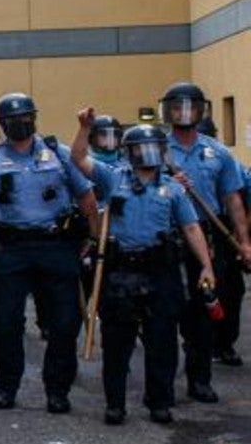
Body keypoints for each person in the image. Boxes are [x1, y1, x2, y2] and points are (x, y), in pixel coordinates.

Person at [71, 111, 215, 424]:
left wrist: (206, 266)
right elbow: (78, 157)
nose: (147, 154)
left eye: (154, 148)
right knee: (118, 342)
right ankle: (115, 404)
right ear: (129, 151)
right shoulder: (113, 177)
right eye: (141, 148)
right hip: (121, 269)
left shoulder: (174, 189)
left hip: (160, 269)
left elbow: (191, 228)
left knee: (162, 339)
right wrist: (84, 128)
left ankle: (159, 401)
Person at [0, 92, 99, 413]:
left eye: (25, 117)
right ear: (1, 125)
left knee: (64, 322)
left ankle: (58, 390)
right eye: (11, 120)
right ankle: (6, 386)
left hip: (56, 247)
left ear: (35, 118)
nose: (19, 124)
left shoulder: (59, 154)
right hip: (11, 250)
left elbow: (86, 197)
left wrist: (93, 239)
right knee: (7, 322)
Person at [160, 82, 251, 393]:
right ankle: (161, 386)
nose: (184, 113)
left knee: (203, 309)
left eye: (190, 107)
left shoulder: (218, 152)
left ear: (201, 110)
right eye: (177, 107)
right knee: (165, 311)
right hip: (166, 237)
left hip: (205, 235)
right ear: (167, 110)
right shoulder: (155, 149)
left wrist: (244, 241)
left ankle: (200, 381)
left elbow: (233, 199)